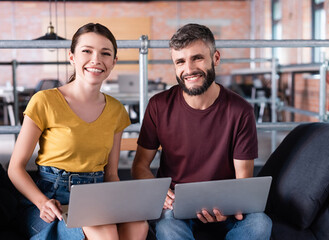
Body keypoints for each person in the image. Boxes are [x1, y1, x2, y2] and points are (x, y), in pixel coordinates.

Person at [7, 23, 148, 240]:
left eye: (105, 53)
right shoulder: (44, 101)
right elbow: (15, 169)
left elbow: (110, 175)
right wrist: (42, 202)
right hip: (50, 199)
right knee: (106, 231)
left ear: (113, 62)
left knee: (138, 224)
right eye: (87, 51)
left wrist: (124, 203)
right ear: (72, 56)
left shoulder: (116, 111)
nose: (96, 59)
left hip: (96, 195)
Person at [131, 23, 271, 240]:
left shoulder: (240, 110)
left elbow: (243, 182)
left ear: (215, 58)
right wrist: (157, 192)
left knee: (260, 224)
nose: (189, 69)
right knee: (168, 228)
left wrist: (228, 208)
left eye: (197, 58)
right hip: (176, 207)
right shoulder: (158, 105)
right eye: (180, 61)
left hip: (224, 205)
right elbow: (139, 166)